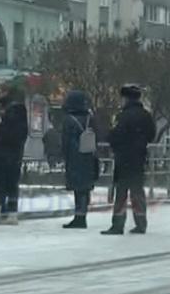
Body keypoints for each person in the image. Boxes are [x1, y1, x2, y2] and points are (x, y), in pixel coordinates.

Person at [102, 84, 156, 235]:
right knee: (137, 191)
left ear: (125, 98)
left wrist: (113, 141)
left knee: (121, 192)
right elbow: (152, 134)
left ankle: (118, 225)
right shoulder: (146, 115)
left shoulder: (122, 116)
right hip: (139, 158)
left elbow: (115, 135)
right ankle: (141, 223)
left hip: (124, 158)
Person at [61, 90, 98, 229]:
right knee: (85, 188)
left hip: (74, 157)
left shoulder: (69, 120)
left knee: (78, 187)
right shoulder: (90, 118)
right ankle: (82, 214)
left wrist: (65, 155)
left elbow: (65, 142)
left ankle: (78, 217)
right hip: (89, 155)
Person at [0, 86, 28, 225]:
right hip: (13, 153)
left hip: (6, 152)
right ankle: (9, 211)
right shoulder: (15, 110)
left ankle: (6, 211)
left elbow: (10, 133)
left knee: (5, 182)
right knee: (10, 183)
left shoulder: (11, 110)